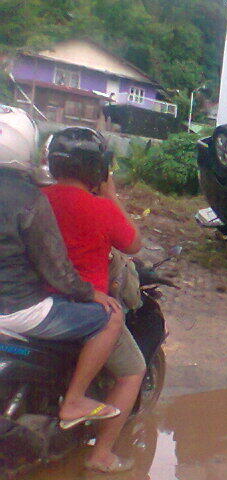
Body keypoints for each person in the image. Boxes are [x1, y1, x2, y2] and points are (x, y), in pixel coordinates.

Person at [0, 106, 123, 429]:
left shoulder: (42, 194)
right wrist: (90, 293)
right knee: (111, 317)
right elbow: (56, 268)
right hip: (17, 308)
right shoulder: (29, 198)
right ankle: (74, 401)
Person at [43, 127, 145, 473]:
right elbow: (133, 244)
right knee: (133, 371)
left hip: (34, 303)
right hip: (85, 309)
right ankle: (101, 454)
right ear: (98, 170)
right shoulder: (100, 208)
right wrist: (110, 193)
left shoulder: (37, 197)